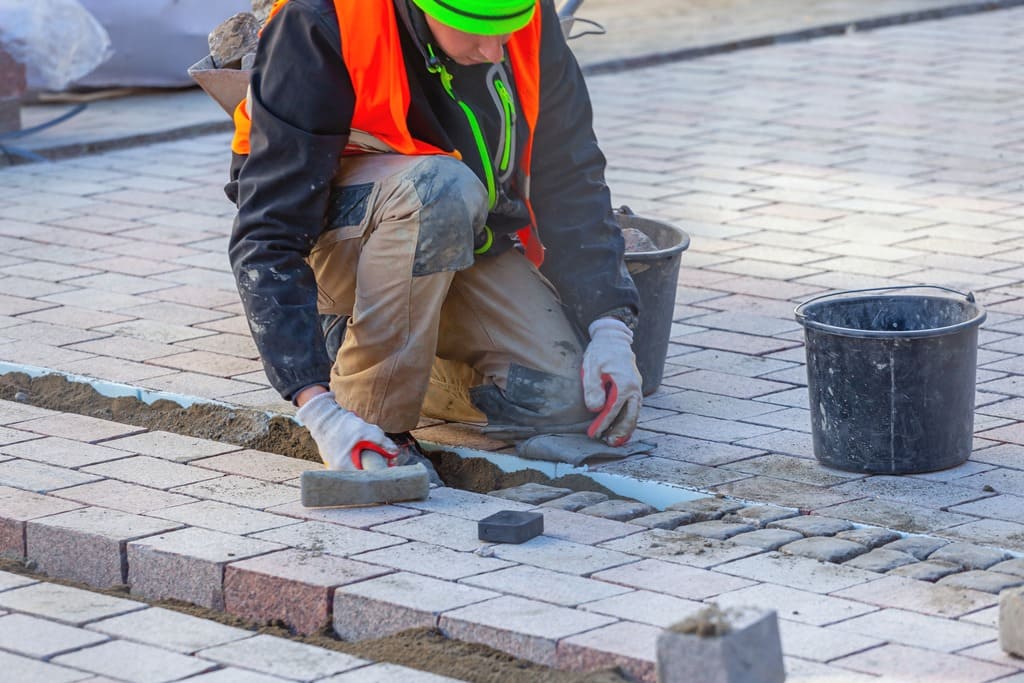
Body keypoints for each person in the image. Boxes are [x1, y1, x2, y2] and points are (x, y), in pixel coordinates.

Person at [226, 0, 643, 475]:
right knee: (440, 187)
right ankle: (372, 421)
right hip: (344, 245)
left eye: (505, 31)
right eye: (475, 31)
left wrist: (610, 327)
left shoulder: (528, 16)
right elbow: (266, 235)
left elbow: (569, 173)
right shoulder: (319, 22)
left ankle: (364, 352)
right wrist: (317, 406)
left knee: (562, 398)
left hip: (458, 236)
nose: (492, 51)